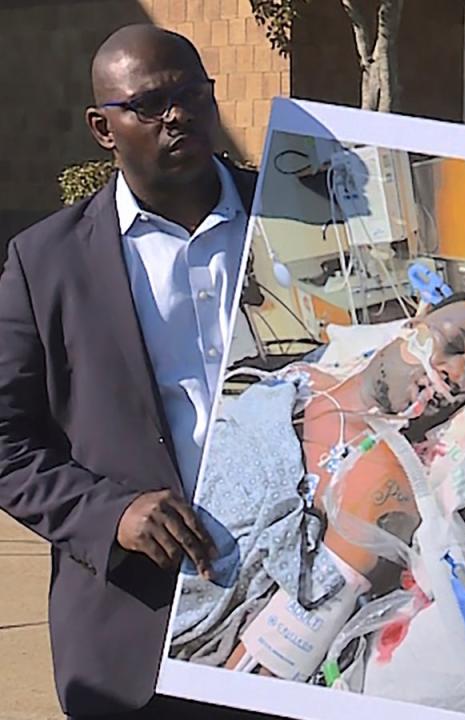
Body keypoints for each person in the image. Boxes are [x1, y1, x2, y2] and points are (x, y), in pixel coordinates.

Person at [0, 25, 268, 720]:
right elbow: (5, 441)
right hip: (138, 634)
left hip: (304, 615)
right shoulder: (46, 264)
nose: (177, 114)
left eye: (191, 94)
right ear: (103, 127)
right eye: (149, 104)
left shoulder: (301, 217)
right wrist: (110, 514)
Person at [165, 294, 465, 680]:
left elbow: (270, 658)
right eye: (453, 345)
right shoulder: (296, 379)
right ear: (417, 323)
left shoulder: (384, 480)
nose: (455, 373)